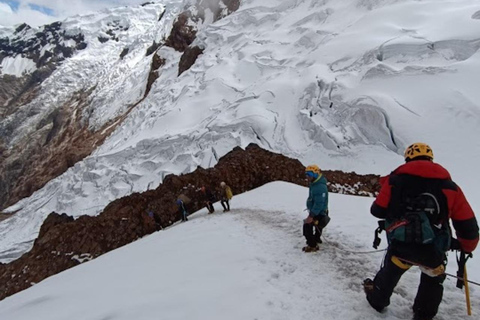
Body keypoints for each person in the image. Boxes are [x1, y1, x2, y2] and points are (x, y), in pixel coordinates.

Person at [364, 142, 479, 320]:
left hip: (401, 243)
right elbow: (466, 222)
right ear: (431, 159)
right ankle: (423, 314)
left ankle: (378, 299)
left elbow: (377, 210)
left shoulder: (395, 180)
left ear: (408, 158)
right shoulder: (449, 186)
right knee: (432, 279)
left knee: (391, 269)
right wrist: (466, 246)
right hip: (433, 247)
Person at [302, 164, 329, 252]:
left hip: (318, 212)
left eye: (310, 174)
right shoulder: (315, 183)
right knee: (318, 227)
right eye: (307, 174)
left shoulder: (319, 187)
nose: (307, 176)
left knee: (307, 226)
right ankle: (316, 239)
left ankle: (312, 245)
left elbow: (319, 204)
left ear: (315, 174)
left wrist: (311, 216)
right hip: (320, 211)